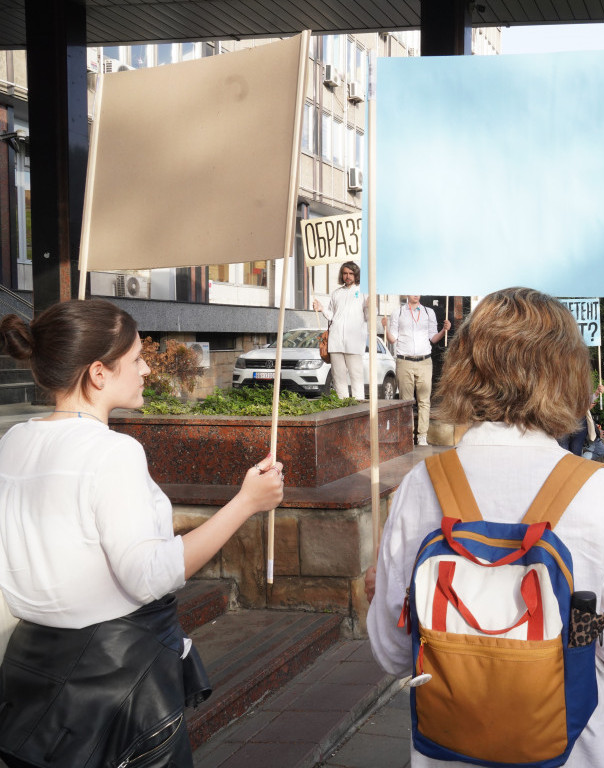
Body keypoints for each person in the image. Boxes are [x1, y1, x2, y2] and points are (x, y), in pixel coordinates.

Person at [365, 287, 604, 768]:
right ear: (563, 375)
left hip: (450, 751)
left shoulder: (424, 485)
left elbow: (393, 654)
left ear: (465, 369)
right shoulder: (597, 491)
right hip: (578, 750)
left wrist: (379, 598)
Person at [0, 301, 284, 768]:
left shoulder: (14, 441)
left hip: (32, 683)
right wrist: (246, 503)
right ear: (98, 373)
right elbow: (150, 575)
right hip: (116, 690)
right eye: (135, 358)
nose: (147, 368)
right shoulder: (113, 453)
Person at [382, 295, 450, 445]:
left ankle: (422, 436)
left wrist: (444, 331)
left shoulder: (428, 312)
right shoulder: (398, 312)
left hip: (424, 360)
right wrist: (385, 328)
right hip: (404, 361)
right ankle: (407, 435)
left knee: (424, 400)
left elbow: (433, 338)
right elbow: (393, 339)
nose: (416, 294)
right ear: (407, 294)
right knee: (405, 401)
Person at [312, 260, 369, 399]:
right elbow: (332, 315)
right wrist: (321, 308)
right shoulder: (336, 293)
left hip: (354, 343)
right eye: (345, 273)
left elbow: (368, 316)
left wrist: (371, 306)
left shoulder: (363, 292)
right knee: (338, 378)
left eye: (351, 273)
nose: (348, 276)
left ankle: (358, 408)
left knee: (356, 377)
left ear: (356, 275)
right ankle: (342, 406)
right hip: (336, 341)